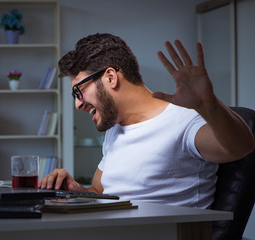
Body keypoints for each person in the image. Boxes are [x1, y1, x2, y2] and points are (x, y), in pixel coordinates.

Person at [38, 33, 255, 208]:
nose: (77, 104)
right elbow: (99, 194)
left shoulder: (185, 121)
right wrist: (75, 190)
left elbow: (241, 147)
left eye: (79, 91)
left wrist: (208, 104)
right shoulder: (115, 129)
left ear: (110, 77)